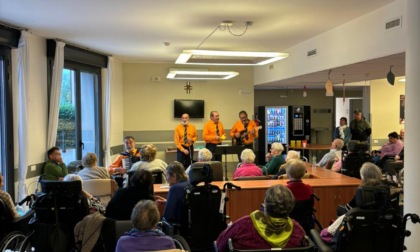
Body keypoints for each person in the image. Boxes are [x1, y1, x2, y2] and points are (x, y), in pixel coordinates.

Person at [216, 184, 306, 251]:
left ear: (265, 205)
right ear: (291, 206)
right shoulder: (297, 230)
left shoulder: (243, 225)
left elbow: (219, 245)